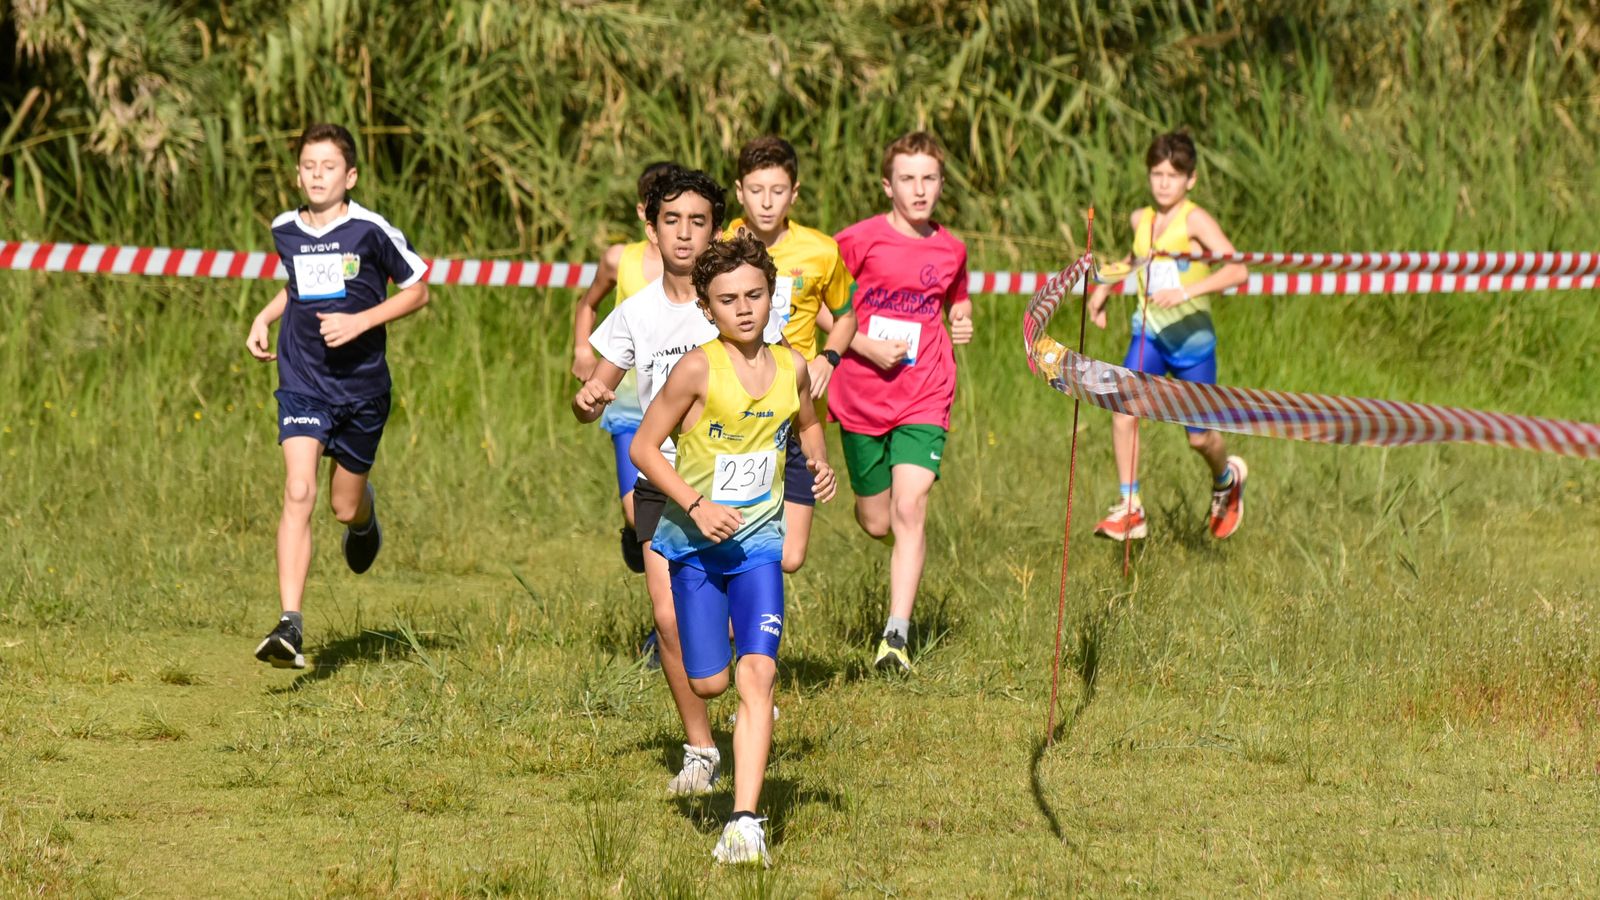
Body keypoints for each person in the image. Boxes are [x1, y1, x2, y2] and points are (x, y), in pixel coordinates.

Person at [572, 168, 783, 795]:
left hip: (733, 482)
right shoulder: (634, 314)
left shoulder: (735, 297)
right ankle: (700, 749)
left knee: (725, 613)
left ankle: (753, 683)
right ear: (650, 228)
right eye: (672, 221)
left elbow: (774, 381)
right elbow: (599, 388)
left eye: (698, 222)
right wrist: (588, 399)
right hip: (662, 477)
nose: (685, 235)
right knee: (665, 618)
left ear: (716, 229)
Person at [630, 233, 836, 866]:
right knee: (710, 680)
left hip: (757, 550)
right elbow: (643, 448)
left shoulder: (793, 366)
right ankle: (710, 735)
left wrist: (820, 464)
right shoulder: (697, 368)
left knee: (758, 675)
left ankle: (744, 823)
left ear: (772, 296)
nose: (744, 308)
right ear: (707, 308)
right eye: (728, 299)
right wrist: (695, 505)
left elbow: (806, 422)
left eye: (754, 295)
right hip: (692, 550)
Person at [246, 123, 431, 668]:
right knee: (298, 490)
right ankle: (290, 626)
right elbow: (297, 286)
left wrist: (361, 322)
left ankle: (365, 519)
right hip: (303, 381)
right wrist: (265, 314)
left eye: (329, 167)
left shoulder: (371, 230)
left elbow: (418, 289)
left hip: (363, 389)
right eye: (309, 166)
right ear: (298, 173)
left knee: (341, 504)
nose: (318, 175)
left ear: (349, 176)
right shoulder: (285, 228)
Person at [829, 131, 973, 673]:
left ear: (940, 183)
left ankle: (895, 638)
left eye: (929, 178)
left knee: (910, 507)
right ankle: (896, 542)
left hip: (926, 392)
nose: (920, 190)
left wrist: (962, 319)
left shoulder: (952, 248)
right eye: (908, 179)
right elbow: (823, 302)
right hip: (861, 394)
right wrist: (860, 344)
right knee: (876, 520)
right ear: (887, 185)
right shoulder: (857, 241)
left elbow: (956, 297)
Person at [1086, 131, 1250, 542]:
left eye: (1173, 175)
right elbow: (1137, 257)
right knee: (1123, 409)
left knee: (1199, 439)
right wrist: (1105, 289)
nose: (1163, 183)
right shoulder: (1141, 219)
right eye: (1157, 173)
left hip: (1192, 345)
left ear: (1190, 180)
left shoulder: (1195, 220)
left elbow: (1238, 270)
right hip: (1150, 336)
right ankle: (1130, 506)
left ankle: (1227, 478)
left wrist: (1186, 291)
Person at [727, 136, 856, 573]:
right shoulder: (722, 242)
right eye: (756, 190)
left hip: (801, 411)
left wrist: (828, 360)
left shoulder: (820, 250)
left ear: (794, 193)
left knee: (790, 558)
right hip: (737, 408)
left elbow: (846, 317)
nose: (767, 202)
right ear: (740, 191)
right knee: (736, 537)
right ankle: (713, 628)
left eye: (778, 191)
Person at [571, 161, 680, 573]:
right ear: (643, 215)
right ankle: (632, 533)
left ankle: (669, 621)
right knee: (640, 515)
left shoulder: (699, 264)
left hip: (682, 405)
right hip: (629, 405)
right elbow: (589, 303)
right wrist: (584, 348)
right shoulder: (620, 259)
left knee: (678, 513)